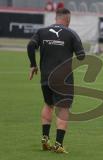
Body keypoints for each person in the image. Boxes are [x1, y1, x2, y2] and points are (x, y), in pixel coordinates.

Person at [27, 8, 85, 153]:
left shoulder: (41, 31)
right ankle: (58, 144)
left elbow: (30, 46)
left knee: (48, 104)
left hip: (45, 77)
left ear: (56, 18)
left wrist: (33, 65)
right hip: (63, 79)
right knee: (63, 109)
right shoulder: (71, 33)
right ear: (68, 19)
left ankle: (45, 139)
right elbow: (81, 56)